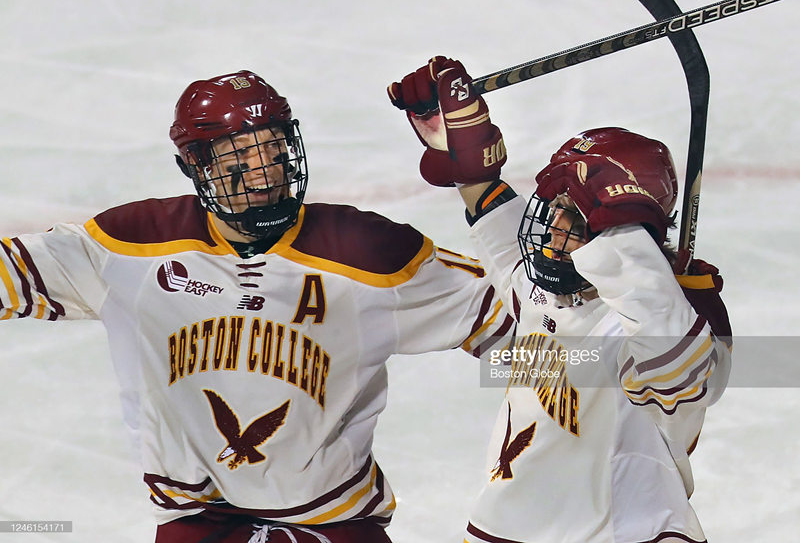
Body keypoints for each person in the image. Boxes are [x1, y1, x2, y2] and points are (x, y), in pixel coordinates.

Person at [0, 70, 514, 543]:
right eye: (239, 157)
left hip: (333, 528)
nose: (265, 173)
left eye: (272, 149)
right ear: (194, 165)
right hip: (198, 527)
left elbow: (531, 345)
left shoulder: (370, 253)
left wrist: (481, 187)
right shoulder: (131, 247)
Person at [389, 56, 732, 543]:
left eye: (577, 216)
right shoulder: (538, 292)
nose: (553, 231)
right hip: (504, 529)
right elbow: (491, 209)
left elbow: (682, 371)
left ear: (622, 230)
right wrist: (462, 148)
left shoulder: (647, 330)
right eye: (553, 209)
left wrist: (627, 236)